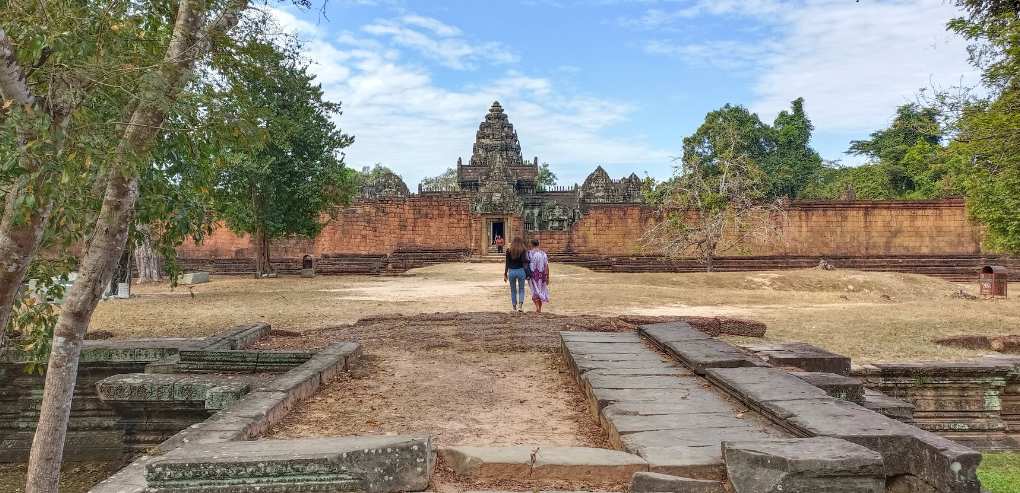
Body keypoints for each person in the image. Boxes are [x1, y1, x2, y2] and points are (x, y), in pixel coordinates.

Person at [503, 236, 529, 313]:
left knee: (513, 290)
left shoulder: (509, 250)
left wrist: (505, 273)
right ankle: (520, 306)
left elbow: (507, 263)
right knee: (521, 289)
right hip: (521, 270)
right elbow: (524, 261)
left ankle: (514, 307)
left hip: (511, 271)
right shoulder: (523, 250)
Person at [527, 239, 550, 313]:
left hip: (533, 275)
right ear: (538, 244)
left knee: (534, 291)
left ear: (531, 244)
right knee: (541, 290)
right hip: (542, 276)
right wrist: (547, 276)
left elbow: (526, 264)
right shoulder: (543, 254)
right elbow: (546, 265)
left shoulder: (529, 253)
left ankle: (537, 307)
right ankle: (539, 308)